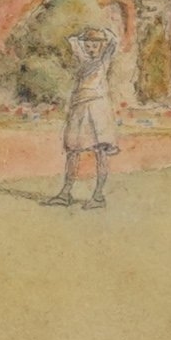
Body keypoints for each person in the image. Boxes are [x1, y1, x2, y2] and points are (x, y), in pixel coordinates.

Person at [43, 25, 118, 210]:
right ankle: (65, 193)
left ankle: (98, 196)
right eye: (88, 45)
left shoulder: (103, 60)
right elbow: (74, 41)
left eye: (95, 45)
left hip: (98, 108)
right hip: (79, 107)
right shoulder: (82, 59)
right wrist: (85, 38)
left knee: (100, 151)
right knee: (73, 150)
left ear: (101, 46)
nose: (91, 49)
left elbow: (113, 42)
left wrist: (102, 35)